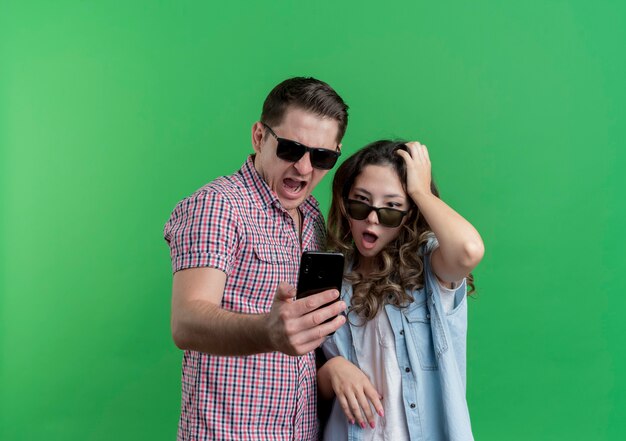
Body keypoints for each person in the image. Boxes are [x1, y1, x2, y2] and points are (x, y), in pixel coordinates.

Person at [163, 77, 350, 441]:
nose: (305, 168)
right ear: (259, 137)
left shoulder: (312, 216)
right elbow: (185, 322)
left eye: (322, 156)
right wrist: (268, 332)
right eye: (291, 149)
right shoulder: (219, 205)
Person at [317, 140, 484, 440]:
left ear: (409, 214)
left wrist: (420, 191)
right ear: (344, 203)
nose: (372, 218)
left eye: (392, 209)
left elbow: (468, 250)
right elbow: (302, 377)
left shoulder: (428, 271)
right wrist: (333, 371)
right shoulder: (331, 279)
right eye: (361, 202)